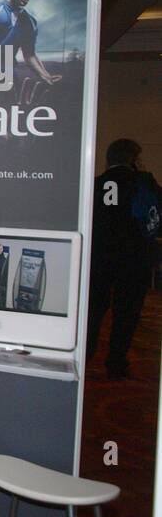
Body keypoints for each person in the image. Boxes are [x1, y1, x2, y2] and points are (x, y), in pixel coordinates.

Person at [87, 138, 160, 379]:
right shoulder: (143, 182)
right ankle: (116, 362)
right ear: (132, 160)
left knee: (93, 310)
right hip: (133, 260)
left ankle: (85, 355)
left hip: (98, 257)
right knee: (126, 313)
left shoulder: (94, 184)